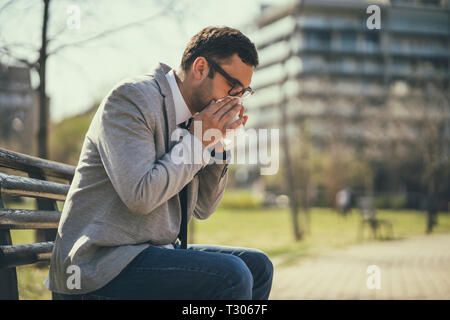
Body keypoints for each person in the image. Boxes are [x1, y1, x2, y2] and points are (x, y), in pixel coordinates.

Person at [48, 26, 273, 300]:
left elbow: (203, 208)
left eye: (242, 93)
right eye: (232, 88)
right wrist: (197, 142)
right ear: (200, 68)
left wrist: (219, 146)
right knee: (232, 274)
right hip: (98, 265)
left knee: (259, 267)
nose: (234, 102)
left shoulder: (196, 121)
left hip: (153, 254)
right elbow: (141, 196)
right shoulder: (131, 99)